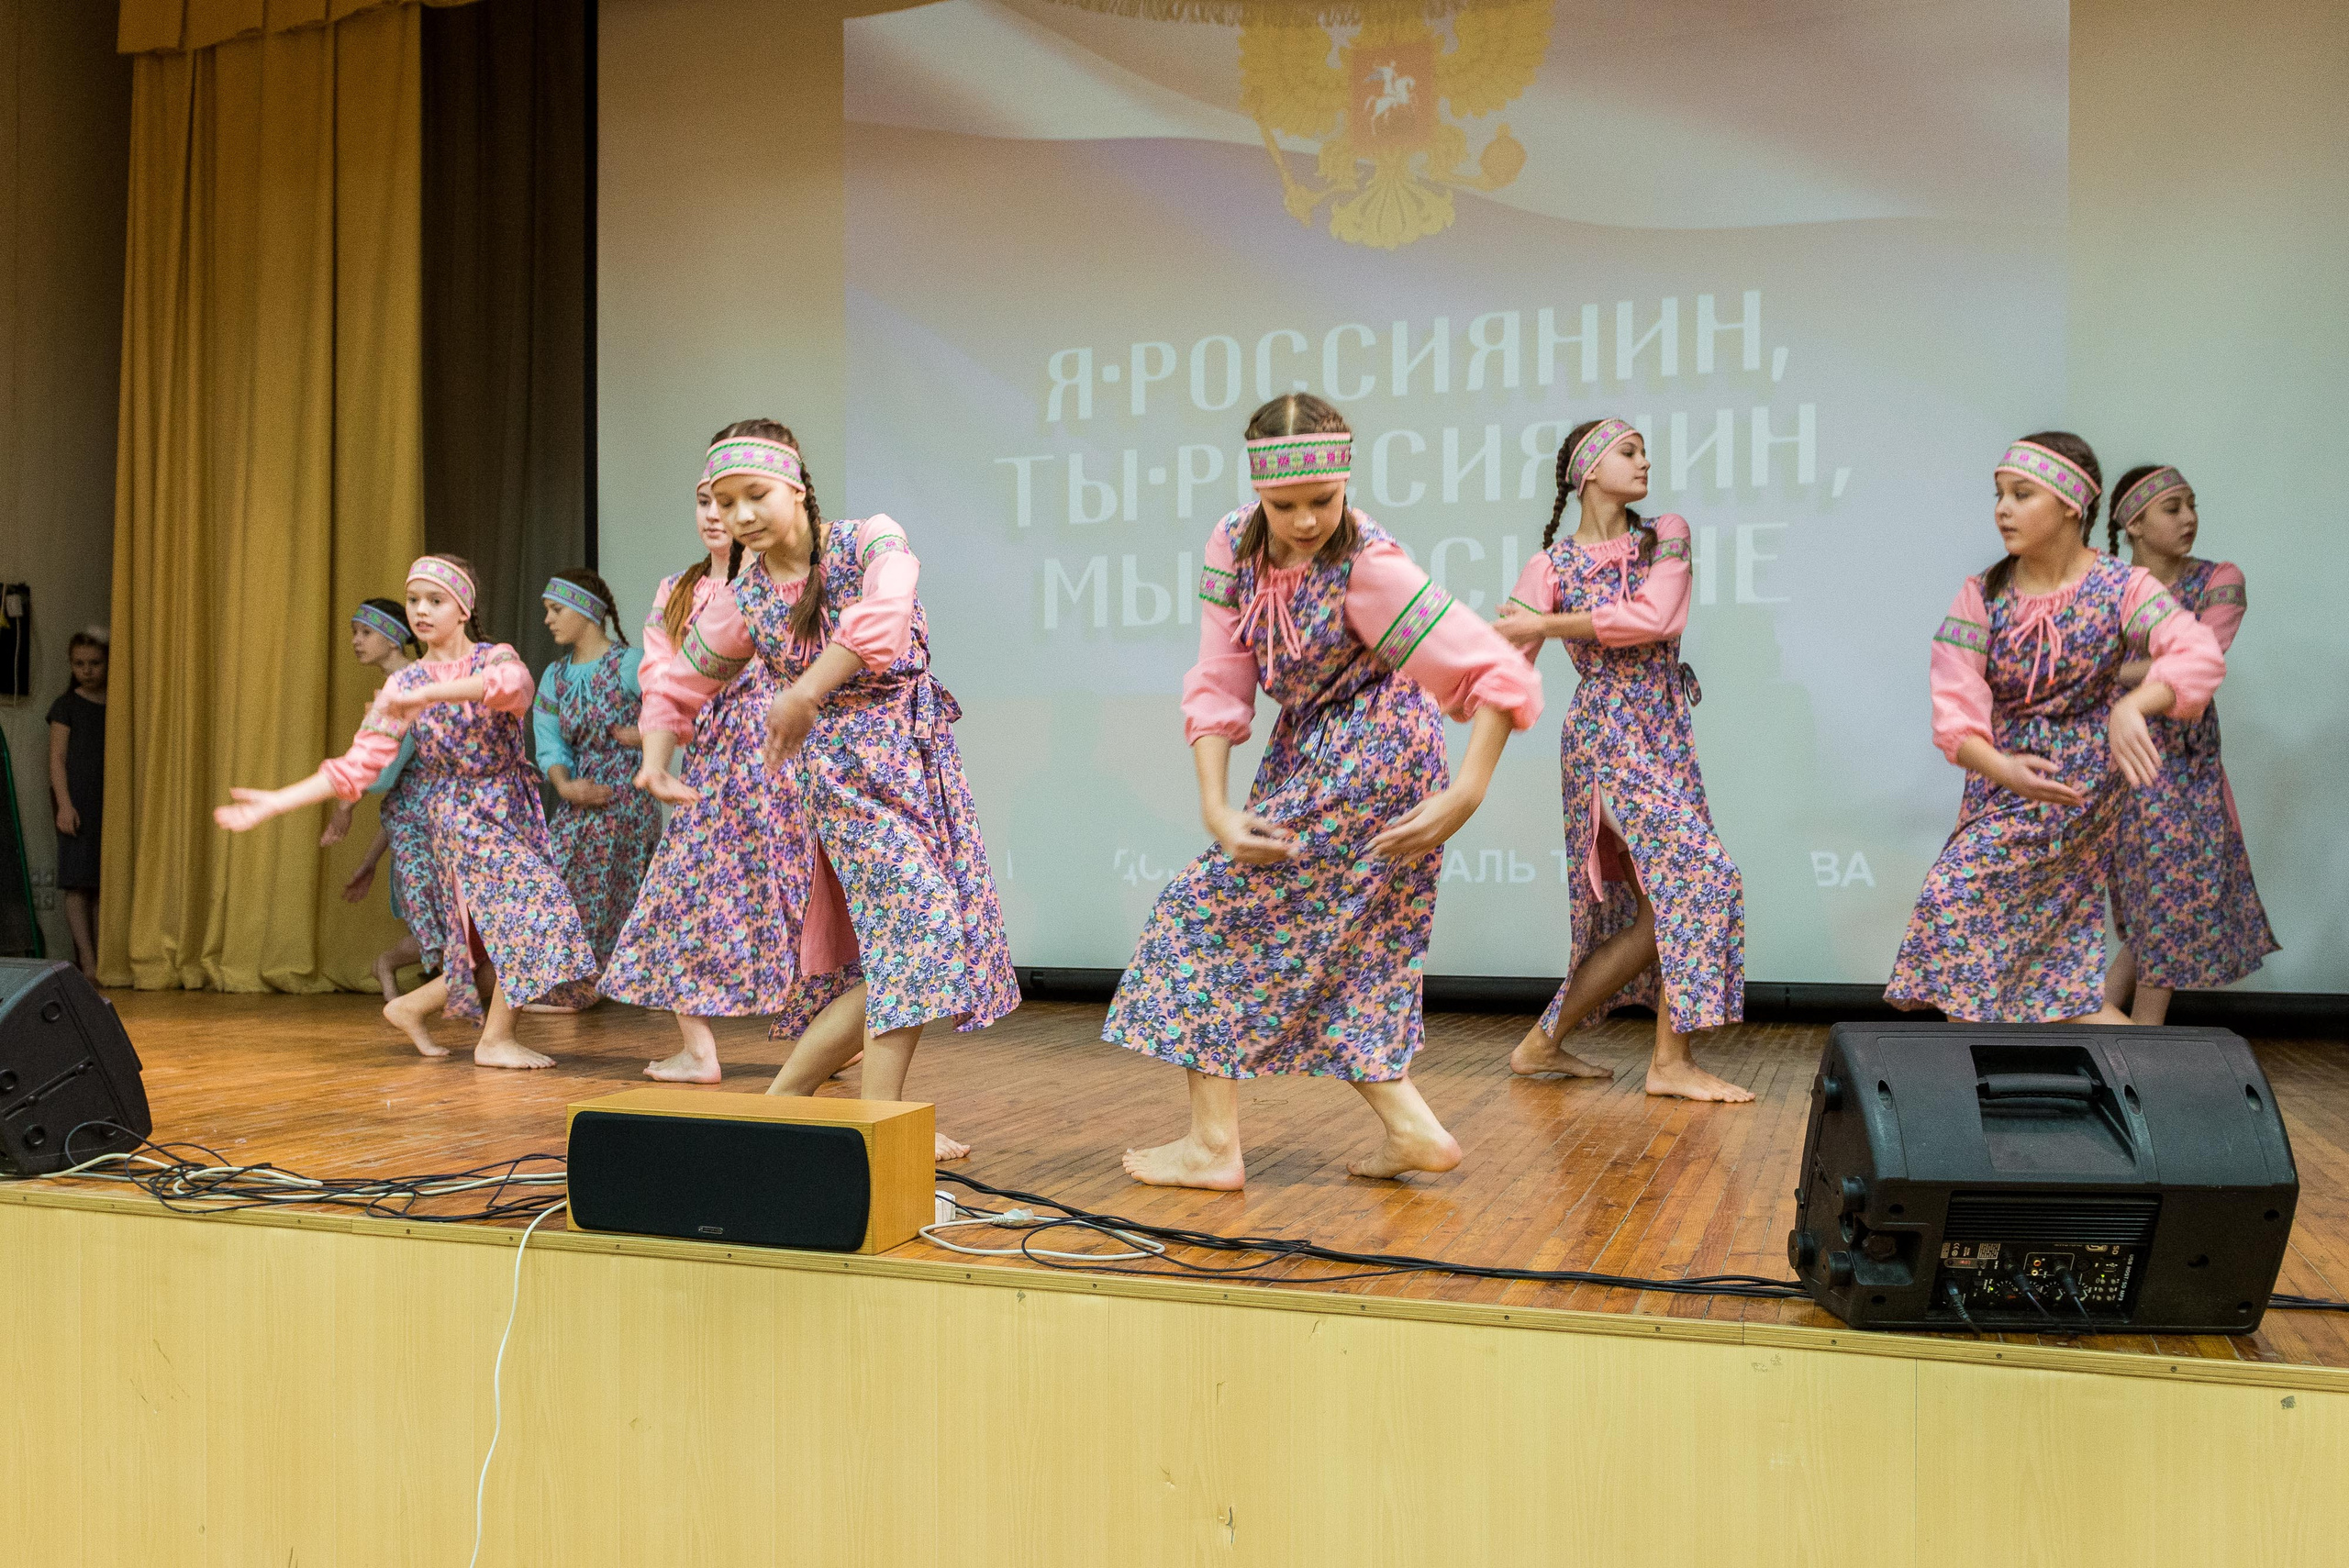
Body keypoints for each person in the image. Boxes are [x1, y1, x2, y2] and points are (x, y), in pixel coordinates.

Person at [1103, 395, 1543, 1188]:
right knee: (1351, 950)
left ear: (1345, 484)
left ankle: (1212, 1145)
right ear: (1257, 491)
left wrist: (1468, 791)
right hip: (1308, 748)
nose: (1306, 521)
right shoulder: (1234, 548)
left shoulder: (1368, 565)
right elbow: (1218, 681)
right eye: (1285, 505)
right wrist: (1215, 805)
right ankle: (1413, 1130)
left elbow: (1498, 669)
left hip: (1372, 754)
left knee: (1198, 916)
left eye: (1323, 501)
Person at [638, 423, 1018, 1157]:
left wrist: (805, 689)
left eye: (756, 495)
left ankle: (791, 1102)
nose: (741, 514)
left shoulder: (869, 539)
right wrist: (658, 755)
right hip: (846, 781)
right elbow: (680, 678)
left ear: (797, 487)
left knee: (913, 950)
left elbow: (886, 613)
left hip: (916, 759)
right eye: (725, 500)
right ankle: (880, 1123)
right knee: (921, 939)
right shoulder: (744, 595)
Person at [1886, 434, 2224, 1023]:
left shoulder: (2123, 587)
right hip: (2002, 782)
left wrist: (2134, 704)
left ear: (2072, 505)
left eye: (2022, 494)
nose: (2003, 509)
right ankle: (2141, 1079)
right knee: (2017, 964)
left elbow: (2196, 653)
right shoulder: (1984, 594)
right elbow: (1954, 710)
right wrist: (2003, 769)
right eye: (1999, 496)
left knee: (1954, 898)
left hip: (2078, 787)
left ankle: (1982, 1085)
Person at [214, 555, 596, 1067]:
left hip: (509, 807)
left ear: (463, 608)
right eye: (414, 600)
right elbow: (356, 766)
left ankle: (415, 1005)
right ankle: (494, 1040)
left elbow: (514, 688)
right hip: (462, 818)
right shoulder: (402, 686)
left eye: (434, 600)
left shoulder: (491, 657)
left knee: (511, 933)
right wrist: (276, 802)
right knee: (536, 916)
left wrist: (434, 688)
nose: (421, 610)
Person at [1495, 419, 1752, 1103]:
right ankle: (1669, 1064)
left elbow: (1657, 616)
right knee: (1702, 875)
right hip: (1607, 733)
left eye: (1643, 451)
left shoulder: (1665, 532)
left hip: (1663, 730)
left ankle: (1541, 1042)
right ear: (1586, 472)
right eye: (1628, 452)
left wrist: (1544, 624)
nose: (1645, 461)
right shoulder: (1547, 567)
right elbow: (1501, 666)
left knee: (1654, 913)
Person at [603, 482, 813, 1082]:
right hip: (712, 766)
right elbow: (659, 677)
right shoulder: (679, 591)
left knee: (801, 900)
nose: (717, 516)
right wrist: (657, 756)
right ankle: (699, 1050)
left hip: (783, 758)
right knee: (678, 897)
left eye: (728, 504)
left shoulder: (788, 579)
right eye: (705, 503)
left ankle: (833, 1039)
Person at [2100, 464, 2277, 1021]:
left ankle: (2131, 1035)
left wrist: (2112, 673)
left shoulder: (2219, 580)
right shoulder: (2105, 585)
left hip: (2187, 771)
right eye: (2172, 508)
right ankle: (2105, 1024)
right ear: (2132, 523)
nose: (2190, 518)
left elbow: (2204, 658)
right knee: (2156, 906)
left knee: (2171, 902)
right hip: (2119, 764)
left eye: (2191, 505)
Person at [532, 567, 659, 1007]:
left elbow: (682, 714)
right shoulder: (556, 677)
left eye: (556, 609)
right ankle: (571, 983)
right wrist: (565, 787)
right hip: (579, 797)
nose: (548, 619)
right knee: (553, 884)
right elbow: (548, 742)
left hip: (626, 798)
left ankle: (584, 987)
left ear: (586, 612)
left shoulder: (630, 664)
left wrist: (645, 734)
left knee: (607, 889)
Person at [322, 597, 446, 1001]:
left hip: (447, 823)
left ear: (393, 639)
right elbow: (394, 789)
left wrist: (346, 810)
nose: (356, 641)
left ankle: (389, 969)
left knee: (454, 930)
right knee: (437, 934)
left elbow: (382, 767)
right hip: (416, 831)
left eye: (366, 632)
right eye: (354, 633)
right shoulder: (395, 695)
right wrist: (368, 857)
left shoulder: (416, 685)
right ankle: (394, 976)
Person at [46, 628, 108, 980]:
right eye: (80, 663)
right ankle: (87, 961)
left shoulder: (119, 704)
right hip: (78, 800)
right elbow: (56, 758)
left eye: (95, 663)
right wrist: (64, 805)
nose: (87, 670)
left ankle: (105, 957)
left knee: (103, 883)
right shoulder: (66, 705)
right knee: (77, 883)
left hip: (107, 801)